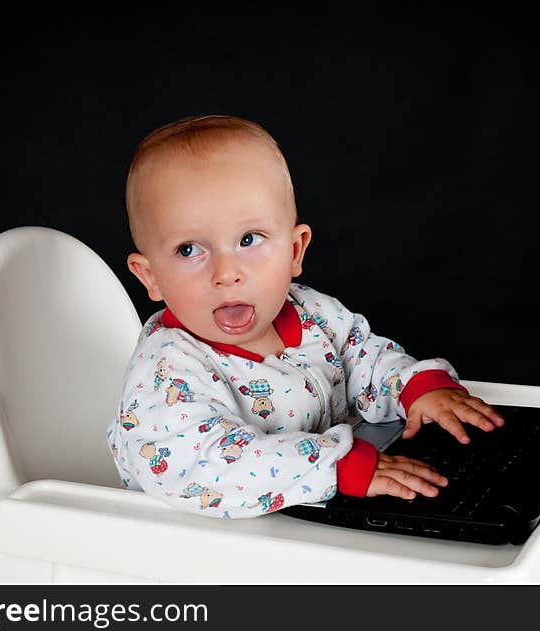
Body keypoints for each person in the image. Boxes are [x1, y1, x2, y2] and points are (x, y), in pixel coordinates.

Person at [106, 115, 505, 518]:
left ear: (294, 250)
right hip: (197, 545)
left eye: (249, 239)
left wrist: (415, 388)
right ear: (151, 277)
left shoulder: (310, 311)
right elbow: (206, 464)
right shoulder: (164, 374)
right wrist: (335, 465)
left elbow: (359, 355)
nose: (226, 273)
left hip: (303, 522)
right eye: (189, 250)